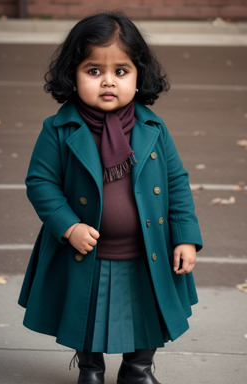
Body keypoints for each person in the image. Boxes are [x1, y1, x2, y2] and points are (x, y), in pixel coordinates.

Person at [18, 12, 203, 384]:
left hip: (147, 247)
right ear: (72, 74)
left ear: (139, 77)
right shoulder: (59, 128)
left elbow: (177, 182)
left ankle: (138, 369)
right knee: (88, 310)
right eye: (93, 71)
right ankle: (91, 368)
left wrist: (185, 237)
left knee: (147, 308)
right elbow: (40, 183)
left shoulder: (153, 127)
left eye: (121, 71)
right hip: (87, 249)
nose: (107, 81)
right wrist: (68, 226)